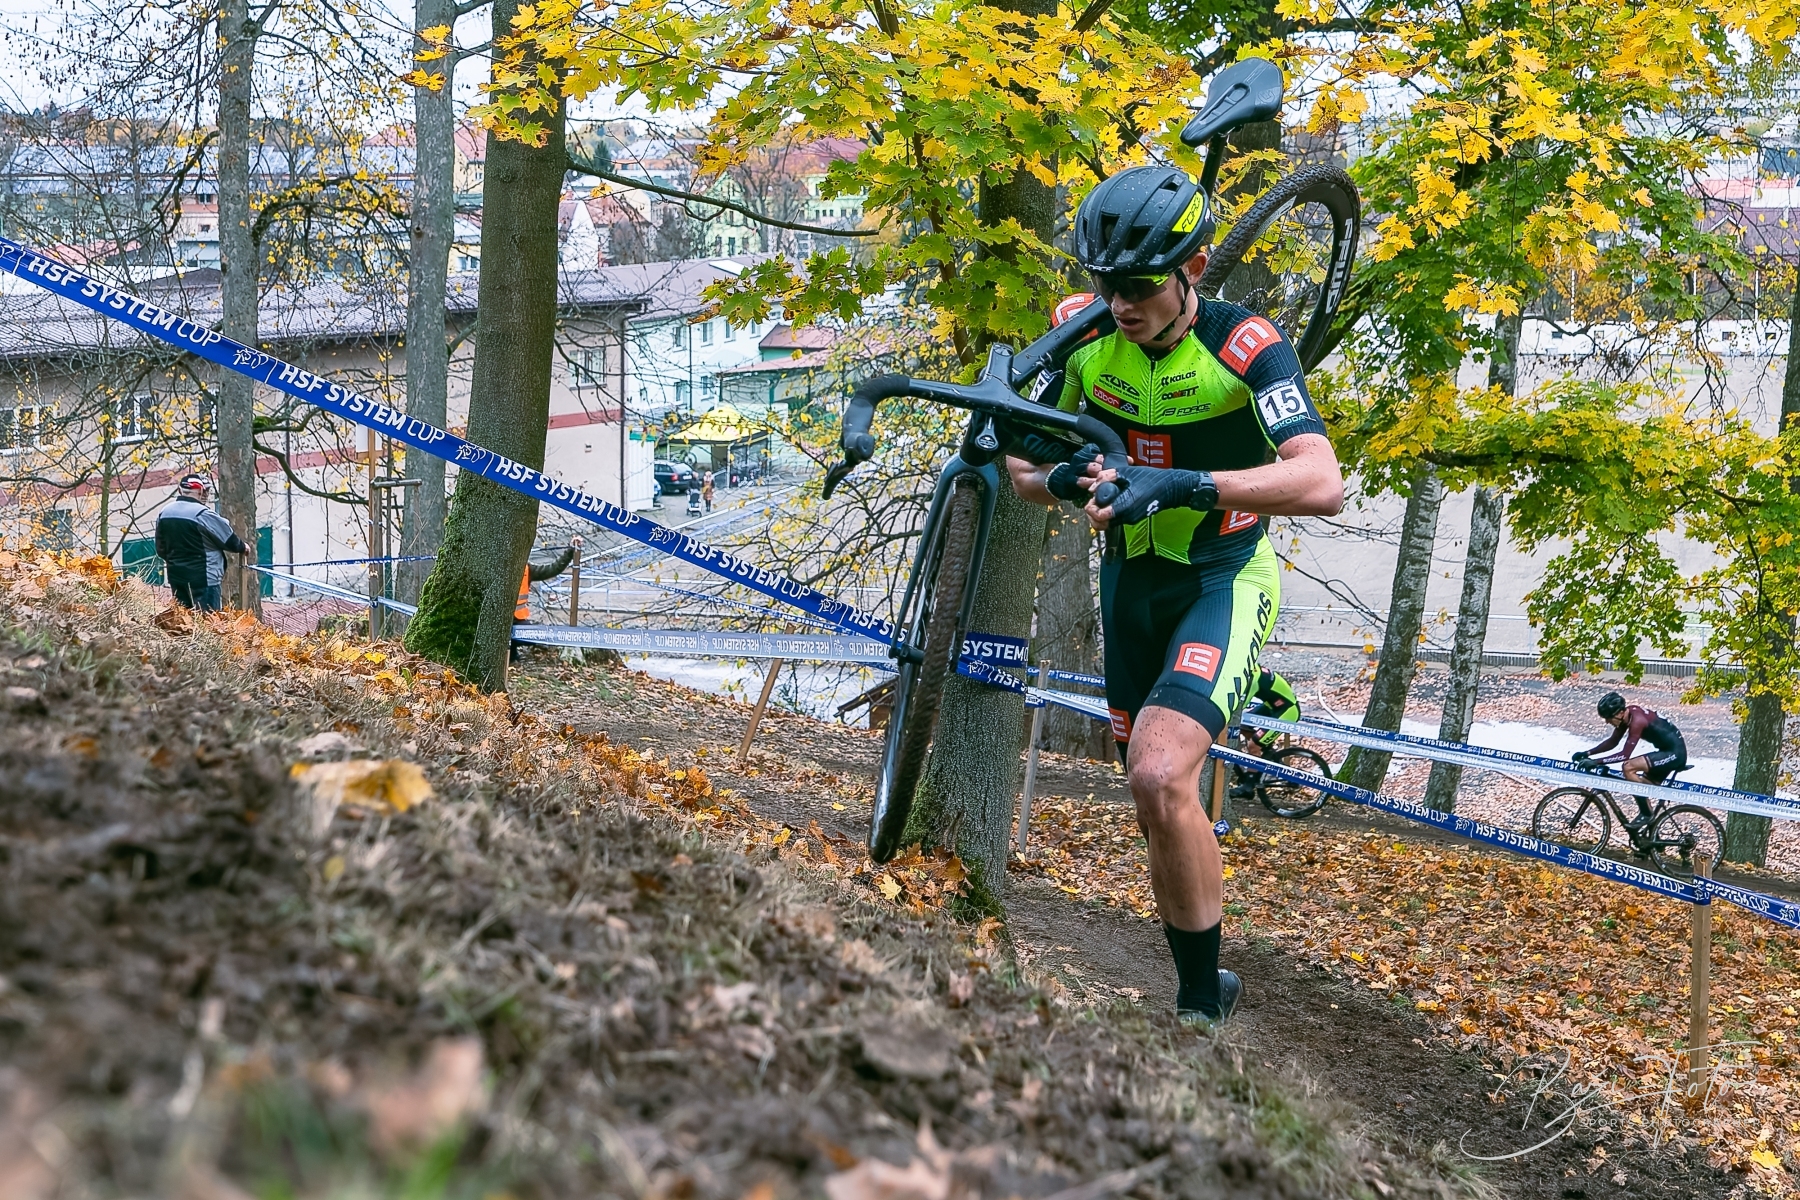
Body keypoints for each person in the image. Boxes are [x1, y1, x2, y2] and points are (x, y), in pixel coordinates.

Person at [1005, 165, 1344, 1029]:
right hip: (1128, 582)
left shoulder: (1246, 345)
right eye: (1105, 283)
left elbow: (1321, 481)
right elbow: (1020, 470)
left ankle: (1198, 1013)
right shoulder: (1080, 332)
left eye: (1140, 285)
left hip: (1222, 576)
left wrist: (1189, 484)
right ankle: (1205, 982)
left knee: (1160, 771)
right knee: (1151, 797)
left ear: (1192, 270)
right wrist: (1063, 477)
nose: (1120, 303)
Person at [1573, 692, 1688, 831]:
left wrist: (1596, 762)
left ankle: (1646, 814)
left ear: (1620, 713)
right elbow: (1612, 742)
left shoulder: (1637, 722)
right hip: (1666, 751)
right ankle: (1652, 834)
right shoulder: (1626, 716)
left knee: (1628, 767)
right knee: (1640, 785)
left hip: (1675, 754)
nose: (1607, 722)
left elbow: (1625, 755)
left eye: (1609, 718)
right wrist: (1587, 753)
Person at [154, 473, 247, 612]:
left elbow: (161, 549)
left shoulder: (164, 513)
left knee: (183, 619)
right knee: (209, 621)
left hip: (176, 577)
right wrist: (243, 547)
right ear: (201, 491)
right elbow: (230, 541)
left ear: (179, 490)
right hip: (205, 580)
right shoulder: (202, 514)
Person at [1227, 667, 1301, 799]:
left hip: (1287, 711)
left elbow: (1239, 706)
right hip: (1272, 706)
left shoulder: (1253, 679)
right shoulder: (1251, 670)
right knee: (1244, 726)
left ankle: (1248, 787)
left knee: (1253, 745)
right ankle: (1267, 756)